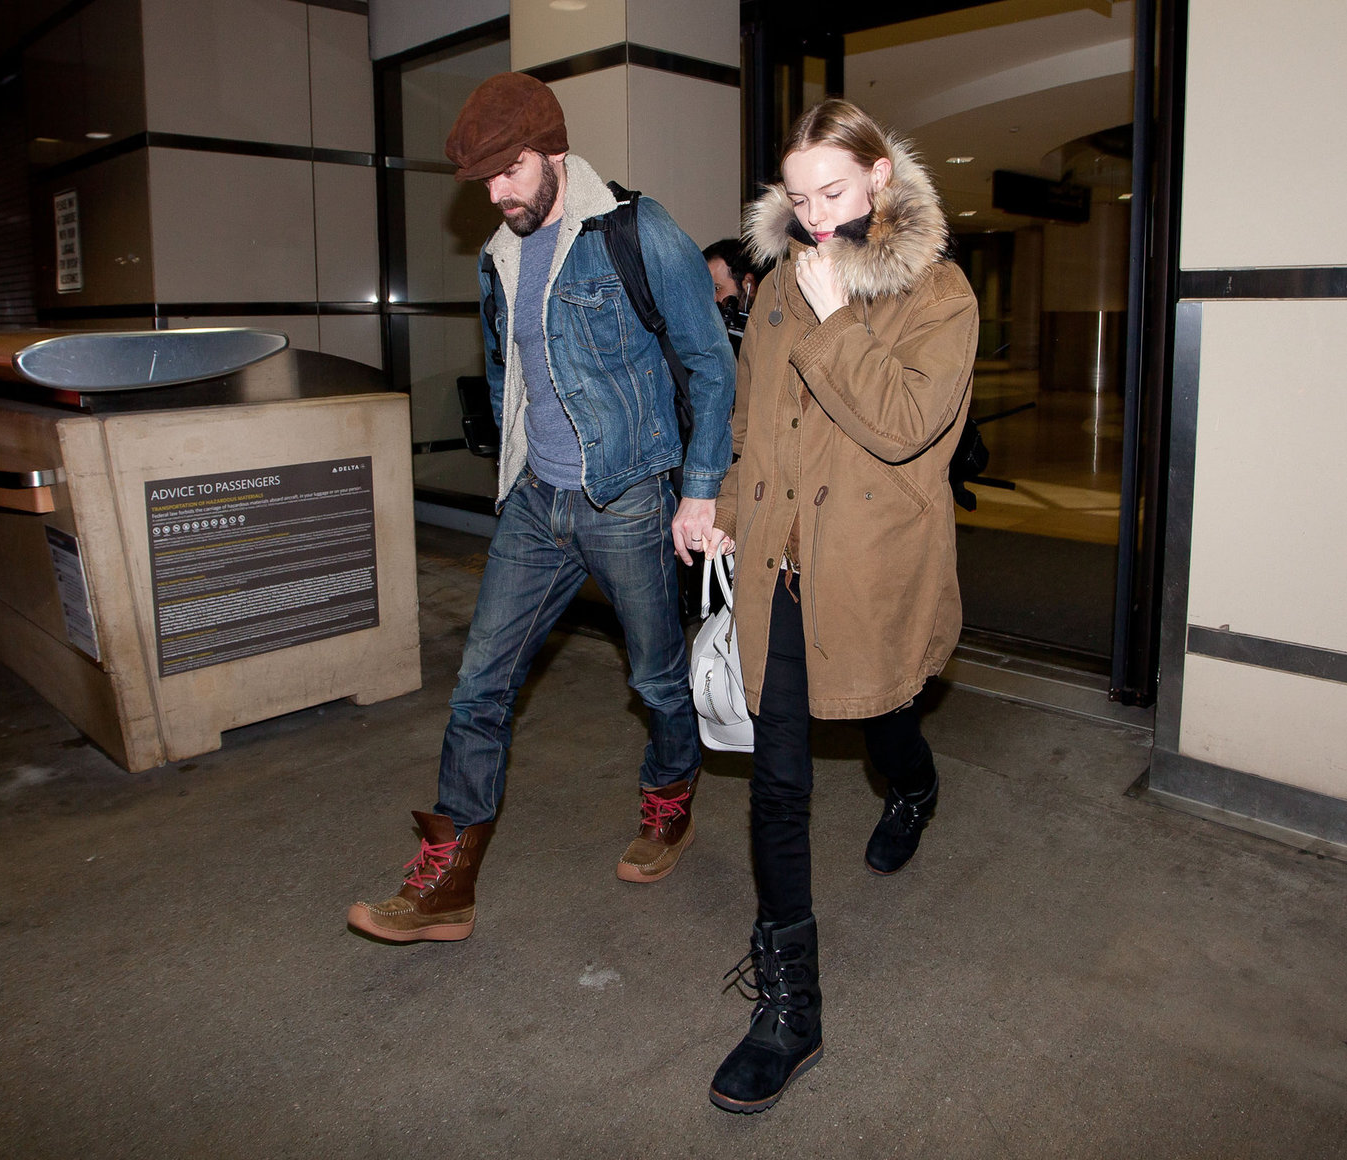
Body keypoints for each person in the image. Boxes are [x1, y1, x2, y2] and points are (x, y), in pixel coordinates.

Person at [347, 73, 734, 943]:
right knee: (479, 685)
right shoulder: (503, 251)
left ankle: (669, 807)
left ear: (552, 151)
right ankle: (447, 888)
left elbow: (711, 364)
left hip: (628, 497)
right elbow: (510, 373)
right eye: (483, 181)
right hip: (534, 504)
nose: (496, 194)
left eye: (509, 171)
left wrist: (698, 491)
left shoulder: (639, 232)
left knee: (656, 678)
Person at [699, 100, 978, 1113]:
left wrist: (830, 316)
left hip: (868, 569)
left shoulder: (937, 293)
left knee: (883, 712)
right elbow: (752, 418)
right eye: (796, 196)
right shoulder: (779, 284)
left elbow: (904, 425)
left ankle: (911, 786)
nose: (813, 218)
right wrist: (726, 506)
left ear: (879, 183)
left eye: (832, 192)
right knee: (776, 784)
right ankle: (789, 1004)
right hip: (779, 566)